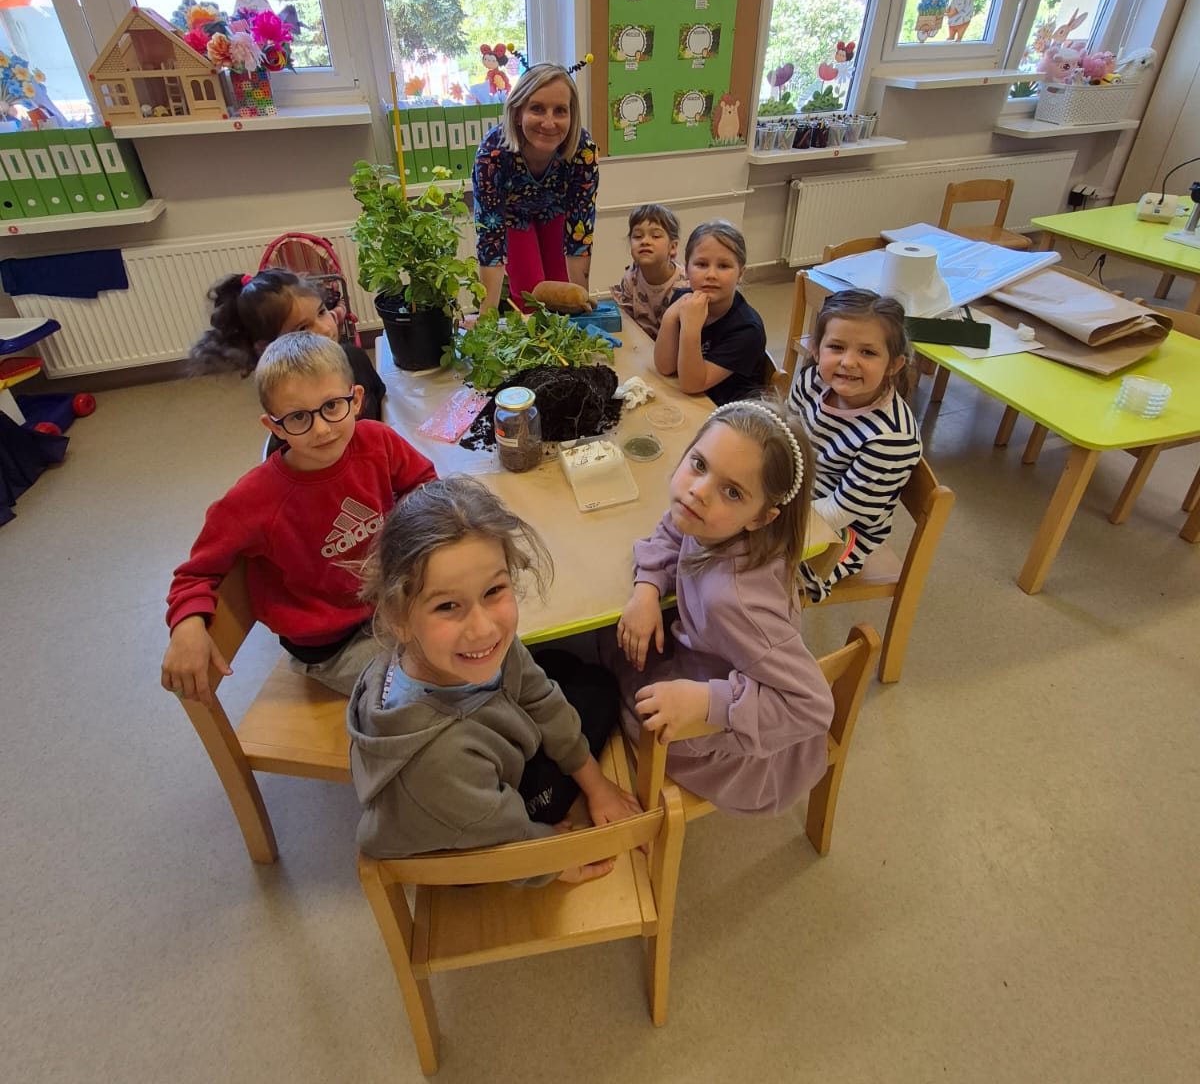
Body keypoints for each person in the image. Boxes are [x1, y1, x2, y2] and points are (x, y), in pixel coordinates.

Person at [347, 477, 641, 884]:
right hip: (467, 824)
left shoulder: (460, 648)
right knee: (602, 693)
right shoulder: (441, 760)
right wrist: (551, 862)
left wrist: (597, 786)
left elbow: (538, 692)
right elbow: (497, 844)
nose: (483, 628)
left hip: (475, 765)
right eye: (448, 606)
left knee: (564, 668)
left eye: (493, 591)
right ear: (398, 618)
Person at [162, 333, 436, 705]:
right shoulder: (253, 500)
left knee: (474, 636)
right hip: (333, 647)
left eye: (332, 406)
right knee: (432, 685)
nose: (321, 429)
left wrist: (407, 542)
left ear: (356, 400)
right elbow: (195, 574)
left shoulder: (378, 441)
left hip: (391, 603)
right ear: (274, 426)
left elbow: (423, 483)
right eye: (298, 417)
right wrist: (187, 624)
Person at [605, 396, 835, 815]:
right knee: (612, 639)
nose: (698, 492)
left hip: (725, 728)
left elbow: (812, 706)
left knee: (607, 667)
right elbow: (673, 531)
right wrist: (647, 589)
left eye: (732, 491)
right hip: (706, 668)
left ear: (762, 517)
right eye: (699, 464)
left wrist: (705, 702)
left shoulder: (733, 600)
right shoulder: (713, 523)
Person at [786, 289, 922, 602]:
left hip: (840, 533)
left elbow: (839, 512)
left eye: (868, 353)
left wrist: (771, 518)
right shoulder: (813, 380)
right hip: (793, 494)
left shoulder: (891, 438)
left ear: (894, 364)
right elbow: (784, 436)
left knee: (748, 575)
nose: (848, 362)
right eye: (836, 347)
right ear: (817, 350)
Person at [190, 267, 387, 448]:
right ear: (268, 346)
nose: (326, 329)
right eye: (303, 328)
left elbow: (383, 407)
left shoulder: (354, 357)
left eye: (321, 312)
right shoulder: (287, 401)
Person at [471, 60, 599, 313]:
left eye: (560, 111)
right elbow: (490, 242)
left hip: (555, 209)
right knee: (532, 299)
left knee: (563, 297)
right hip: (513, 215)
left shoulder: (582, 151)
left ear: (572, 116)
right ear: (518, 113)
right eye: (537, 109)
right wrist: (487, 315)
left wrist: (582, 307)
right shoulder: (493, 154)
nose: (549, 123)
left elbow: (580, 233)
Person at [655, 220, 766, 406]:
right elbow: (665, 367)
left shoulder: (747, 330)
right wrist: (669, 318)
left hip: (730, 413)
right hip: (694, 402)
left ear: (740, 274)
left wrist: (691, 329)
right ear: (686, 270)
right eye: (701, 264)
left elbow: (692, 385)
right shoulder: (682, 299)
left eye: (723, 266)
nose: (711, 275)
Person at [611, 202, 690, 338]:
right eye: (637, 236)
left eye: (655, 236)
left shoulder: (684, 285)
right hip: (640, 342)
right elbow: (626, 322)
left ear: (672, 247)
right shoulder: (631, 277)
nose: (645, 241)